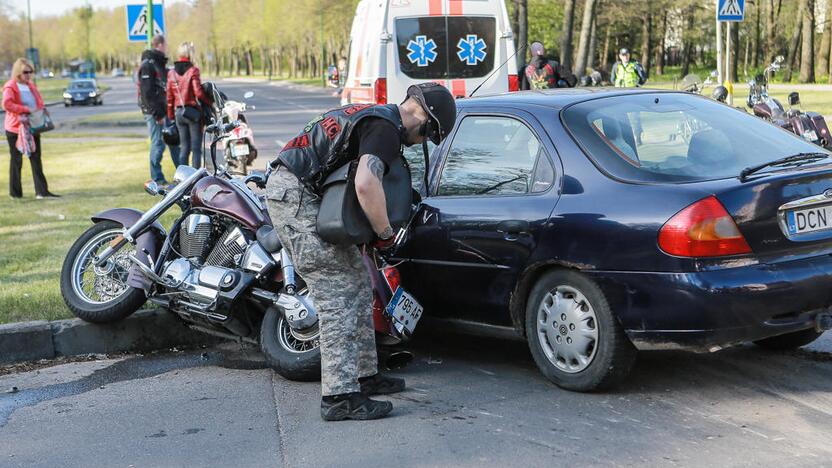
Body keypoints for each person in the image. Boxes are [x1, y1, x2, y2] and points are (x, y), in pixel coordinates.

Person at [266, 83, 456, 421]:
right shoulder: (385, 130)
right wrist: (385, 233)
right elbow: (366, 183)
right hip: (294, 197)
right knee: (337, 293)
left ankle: (366, 376)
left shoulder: (377, 117)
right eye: (430, 135)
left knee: (357, 282)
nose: (423, 142)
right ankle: (339, 397)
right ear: (425, 120)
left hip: (301, 192)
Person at [3, 58, 57, 199]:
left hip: (33, 127)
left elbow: (38, 102)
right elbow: (7, 104)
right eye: (25, 72)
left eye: (30, 72)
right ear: (18, 72)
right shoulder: (11, 86)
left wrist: (42, 109)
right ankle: (15, 194)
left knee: (36, 158)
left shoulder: (31, 86)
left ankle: (42, 192)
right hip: (16, 129)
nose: (28, 75)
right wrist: (24, 109)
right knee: (16, 160)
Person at [139, 34, 181, 185]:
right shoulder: (148, 65)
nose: (167, 48)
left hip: (165, 111)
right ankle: (156, 177)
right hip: (155, 113)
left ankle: (182, 175)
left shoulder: (159, 63)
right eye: (166, 45)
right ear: (160, 45)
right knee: (158, 143)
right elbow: (147, 94)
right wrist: (157, 114)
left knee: (174, 141)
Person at [167, 42, 211, 169]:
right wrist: (210, 101)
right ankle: (195, 179)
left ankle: (183, 178)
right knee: (196, 148)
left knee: (184, 148)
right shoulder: (193, 70)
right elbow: (198, 92)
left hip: (179, 113)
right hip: (192, 113)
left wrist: (171, 115)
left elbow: (169, 97)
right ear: (190, 53)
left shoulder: (171, 73)